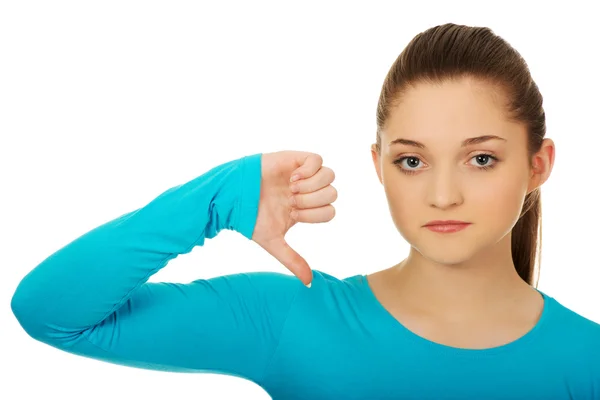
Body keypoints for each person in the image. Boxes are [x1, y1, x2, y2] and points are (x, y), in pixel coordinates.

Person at [10, 22, 600, 399]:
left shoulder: (588, 360)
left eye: (480, 160)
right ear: (378, 165)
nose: (443, 196)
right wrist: (213, 200)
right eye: (412, 162)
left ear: (538, 163)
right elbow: (53, 313)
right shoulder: (293, 317)